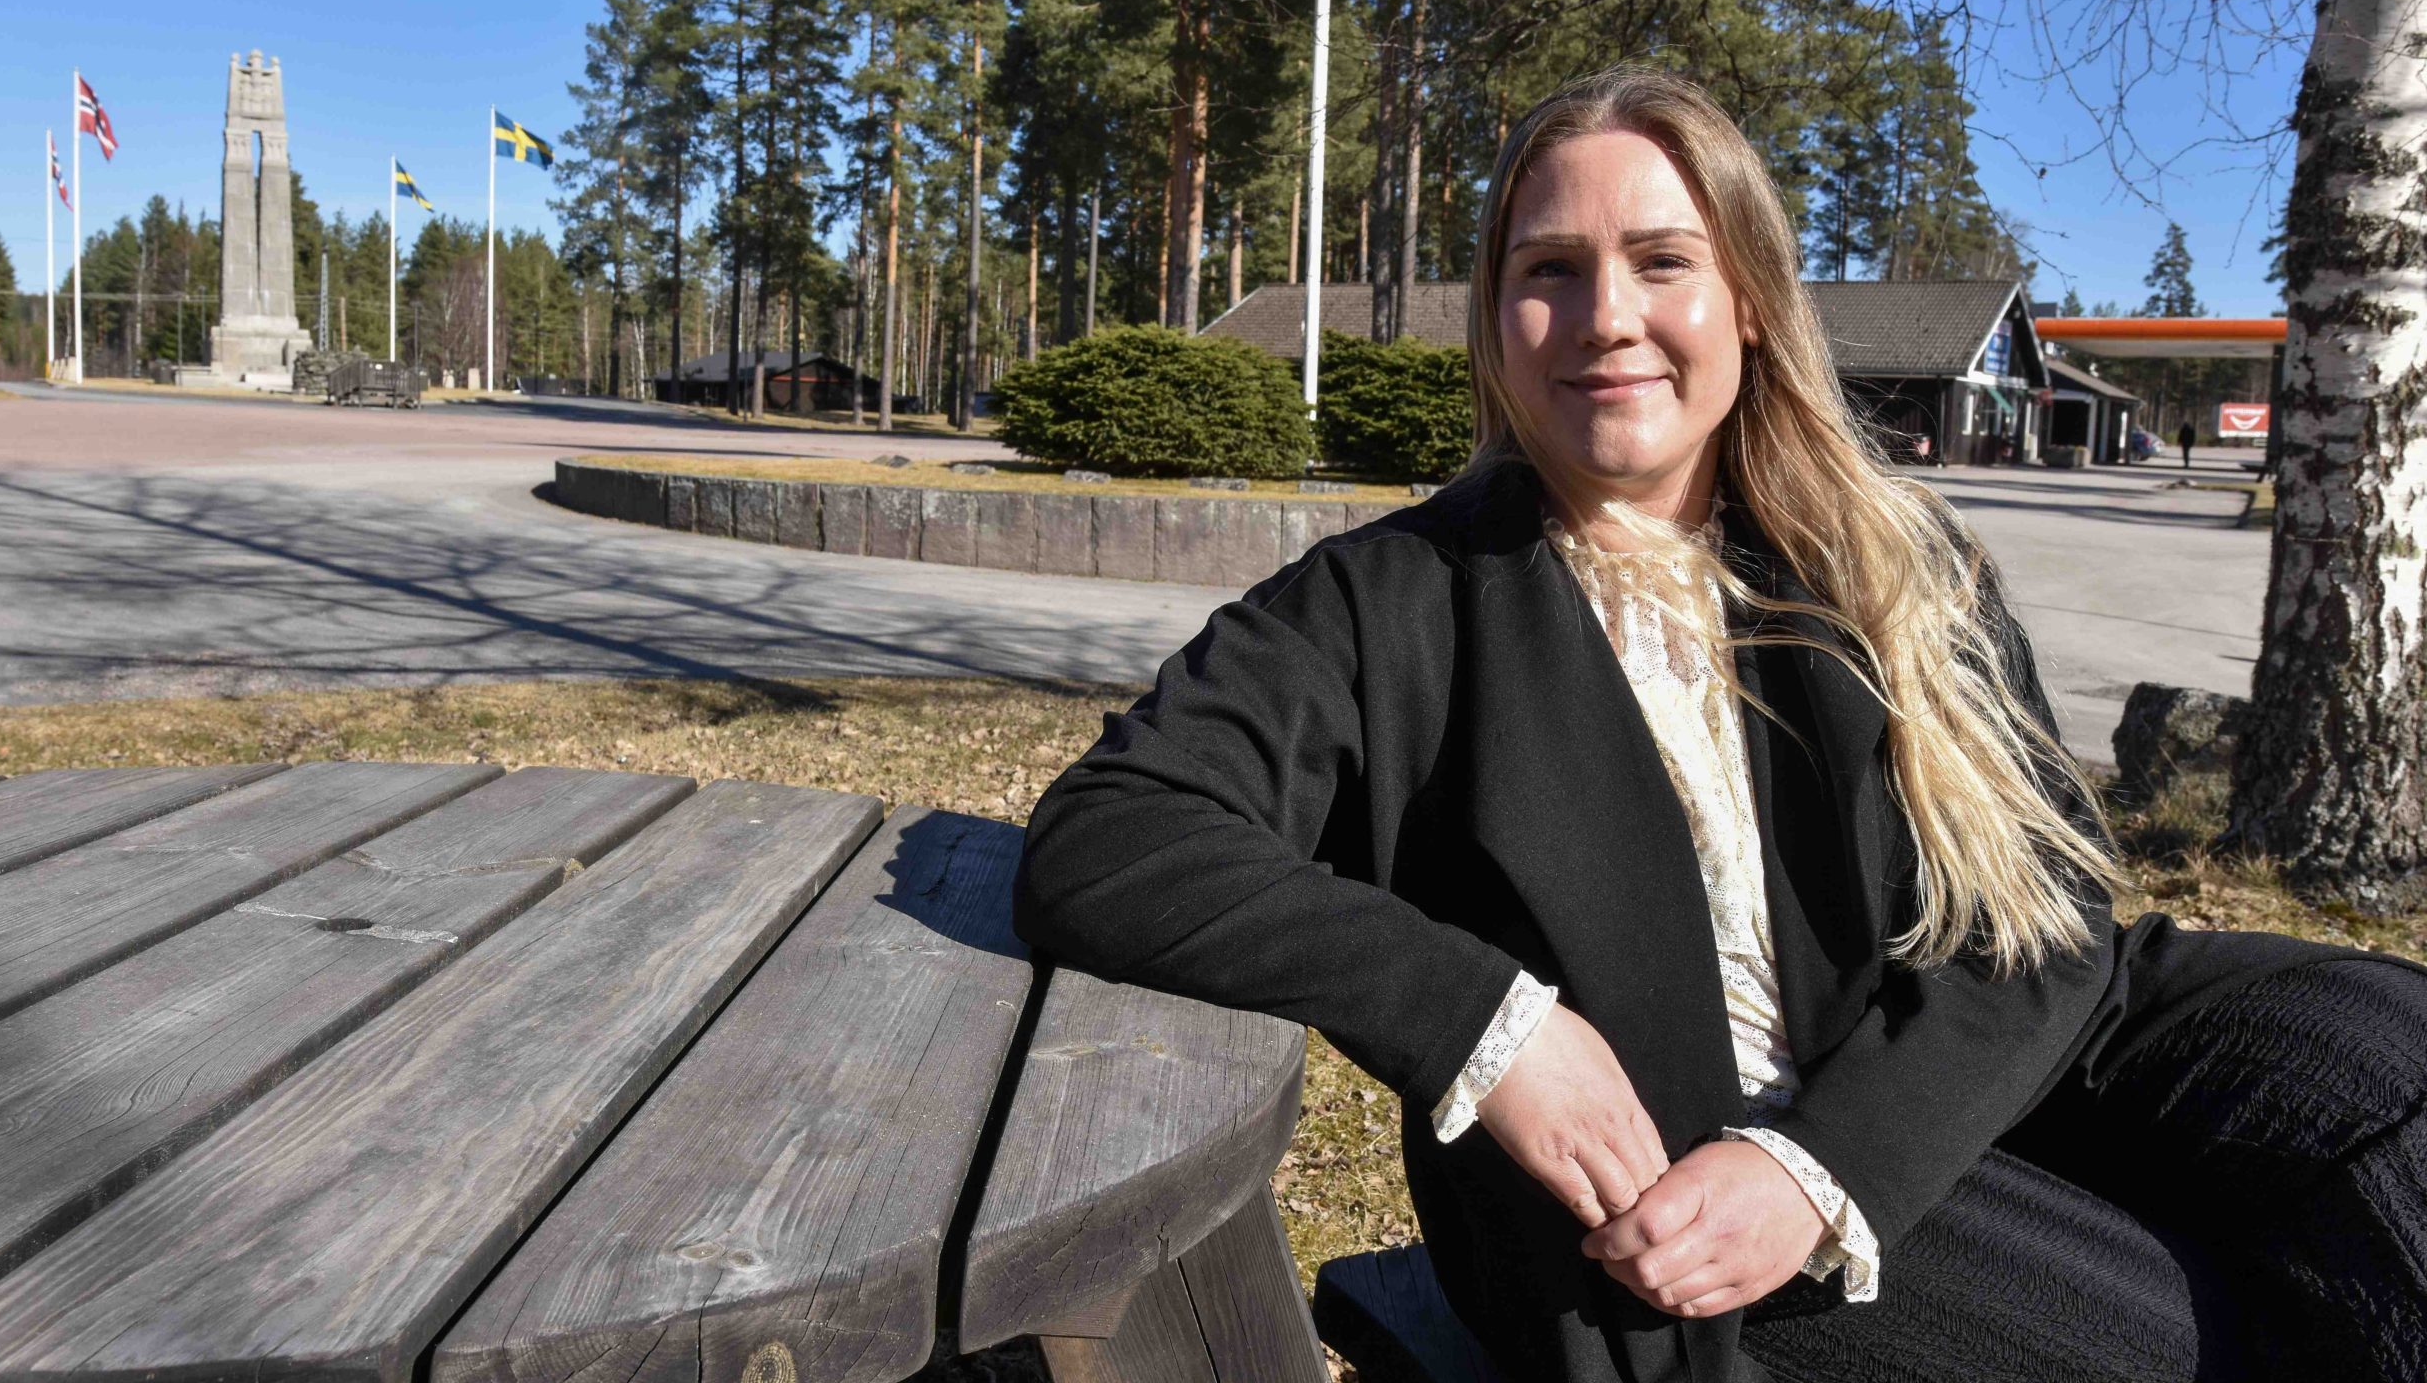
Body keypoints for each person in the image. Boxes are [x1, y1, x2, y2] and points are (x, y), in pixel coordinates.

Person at [1014, 67, 2427, 1383]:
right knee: (2213, 1334)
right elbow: (1113, 840)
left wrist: (1834, 1162)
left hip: (2007, 1038)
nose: (1607, 316)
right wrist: (1488, 1025)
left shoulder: (1889, 558)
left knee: (2389, 1071)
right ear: (1495, 319)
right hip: (1689, 1162)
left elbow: (2044, 922)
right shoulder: (1393, 600)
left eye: (1662, 261)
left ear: (1748, 299)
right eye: (1548, 273)